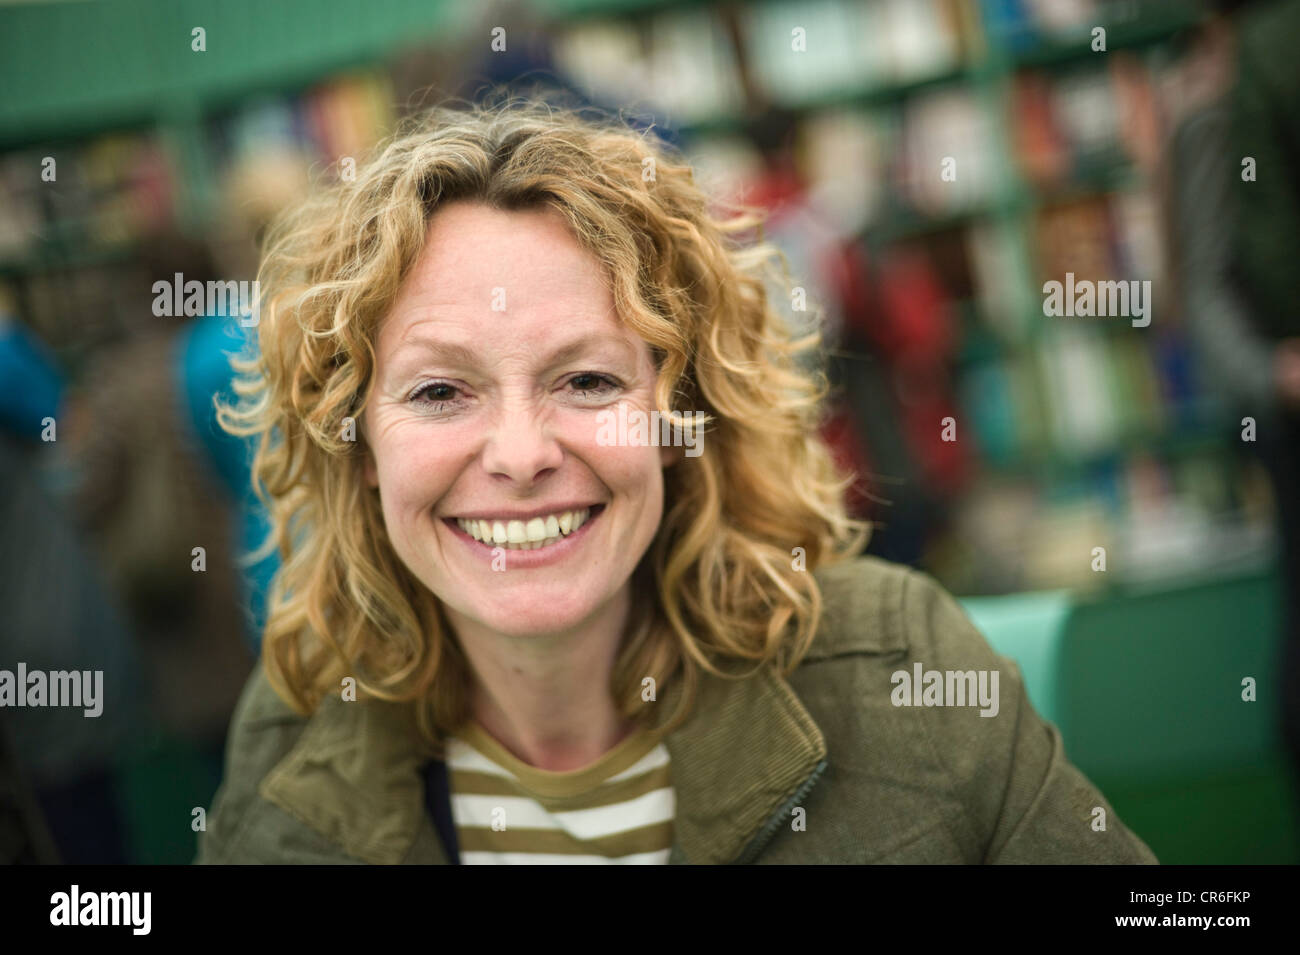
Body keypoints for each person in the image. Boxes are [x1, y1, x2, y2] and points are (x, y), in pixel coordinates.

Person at [196, 99, 1156, 864]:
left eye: (588, 379)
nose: (522, 453)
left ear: (677, 420)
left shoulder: (899, 660)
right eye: (442, 390)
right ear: (358, 448)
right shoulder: (290, 734)